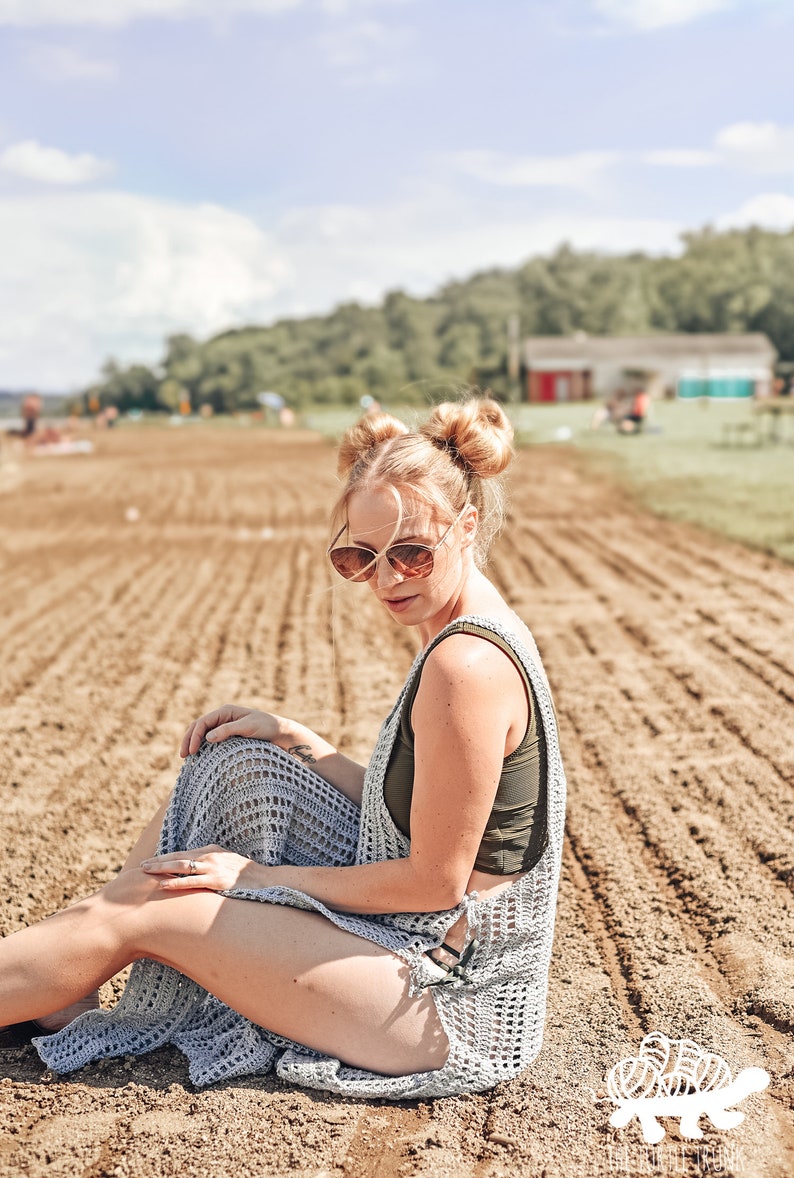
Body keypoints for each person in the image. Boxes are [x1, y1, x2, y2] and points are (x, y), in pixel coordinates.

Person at [0, 396, 565, 1099]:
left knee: (156, 907)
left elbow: (432, 881)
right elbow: (433, 810)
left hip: (449, 1003)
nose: (388, 578)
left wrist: (259, 877)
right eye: (361, 555)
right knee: (230, 763)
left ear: (468, 526)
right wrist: (304, 744)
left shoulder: (465, 666)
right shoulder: (463, 630)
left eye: (412, 552)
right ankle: (57, 976)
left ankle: (58, 969)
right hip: (414, 953)